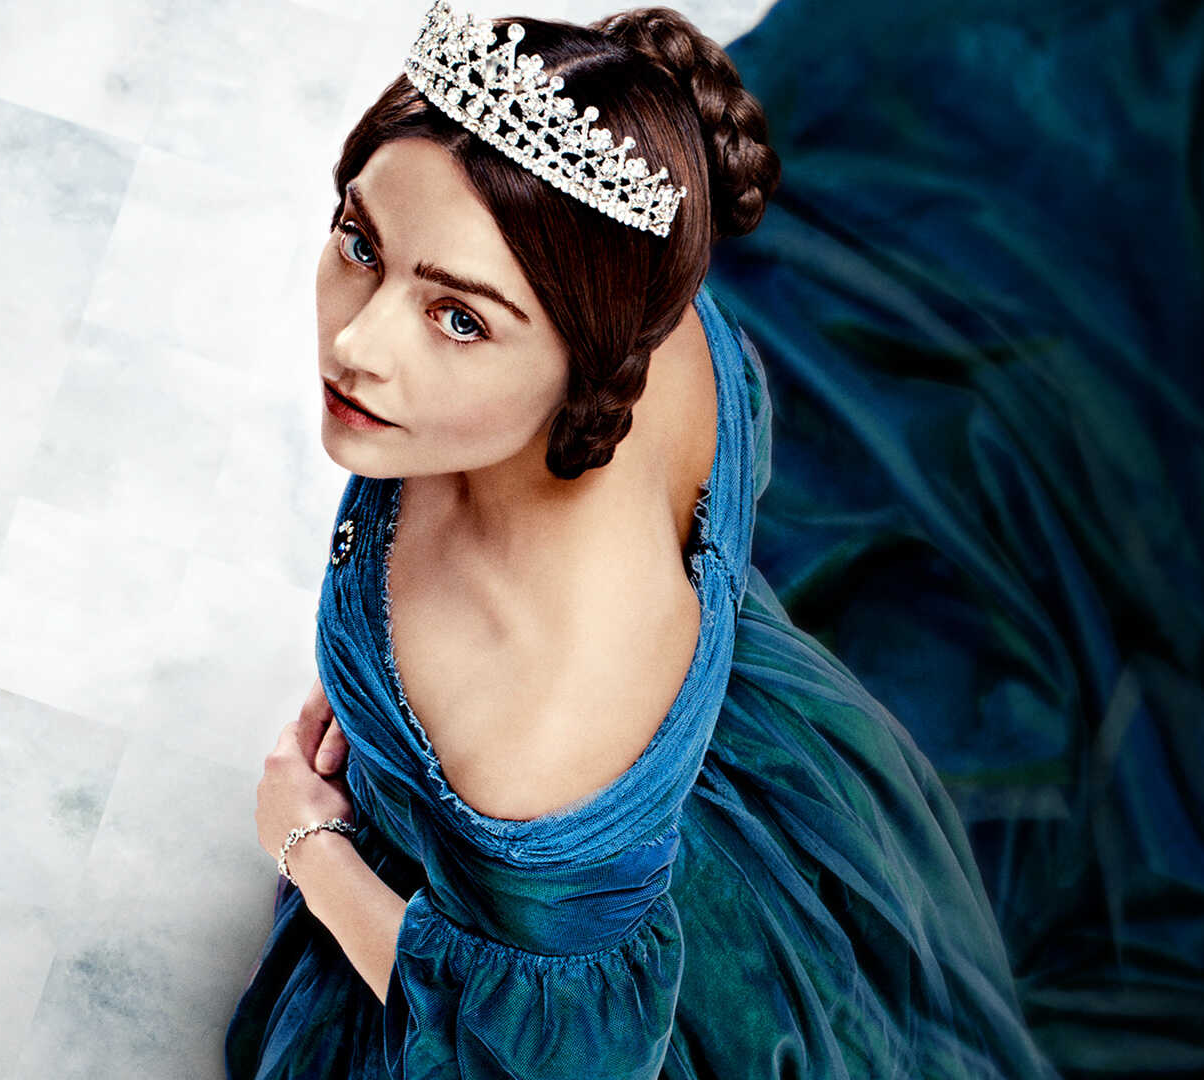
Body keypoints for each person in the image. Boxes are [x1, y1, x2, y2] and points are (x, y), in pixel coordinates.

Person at [226, 4, 1060, 1077]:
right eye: (361, 243)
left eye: (461, 318)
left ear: (588, 361)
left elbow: (558, 1051)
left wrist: (307, 842)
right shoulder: (673, 329)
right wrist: (375, 689)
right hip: (733, 781)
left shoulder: (534, 704)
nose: (355, 345)